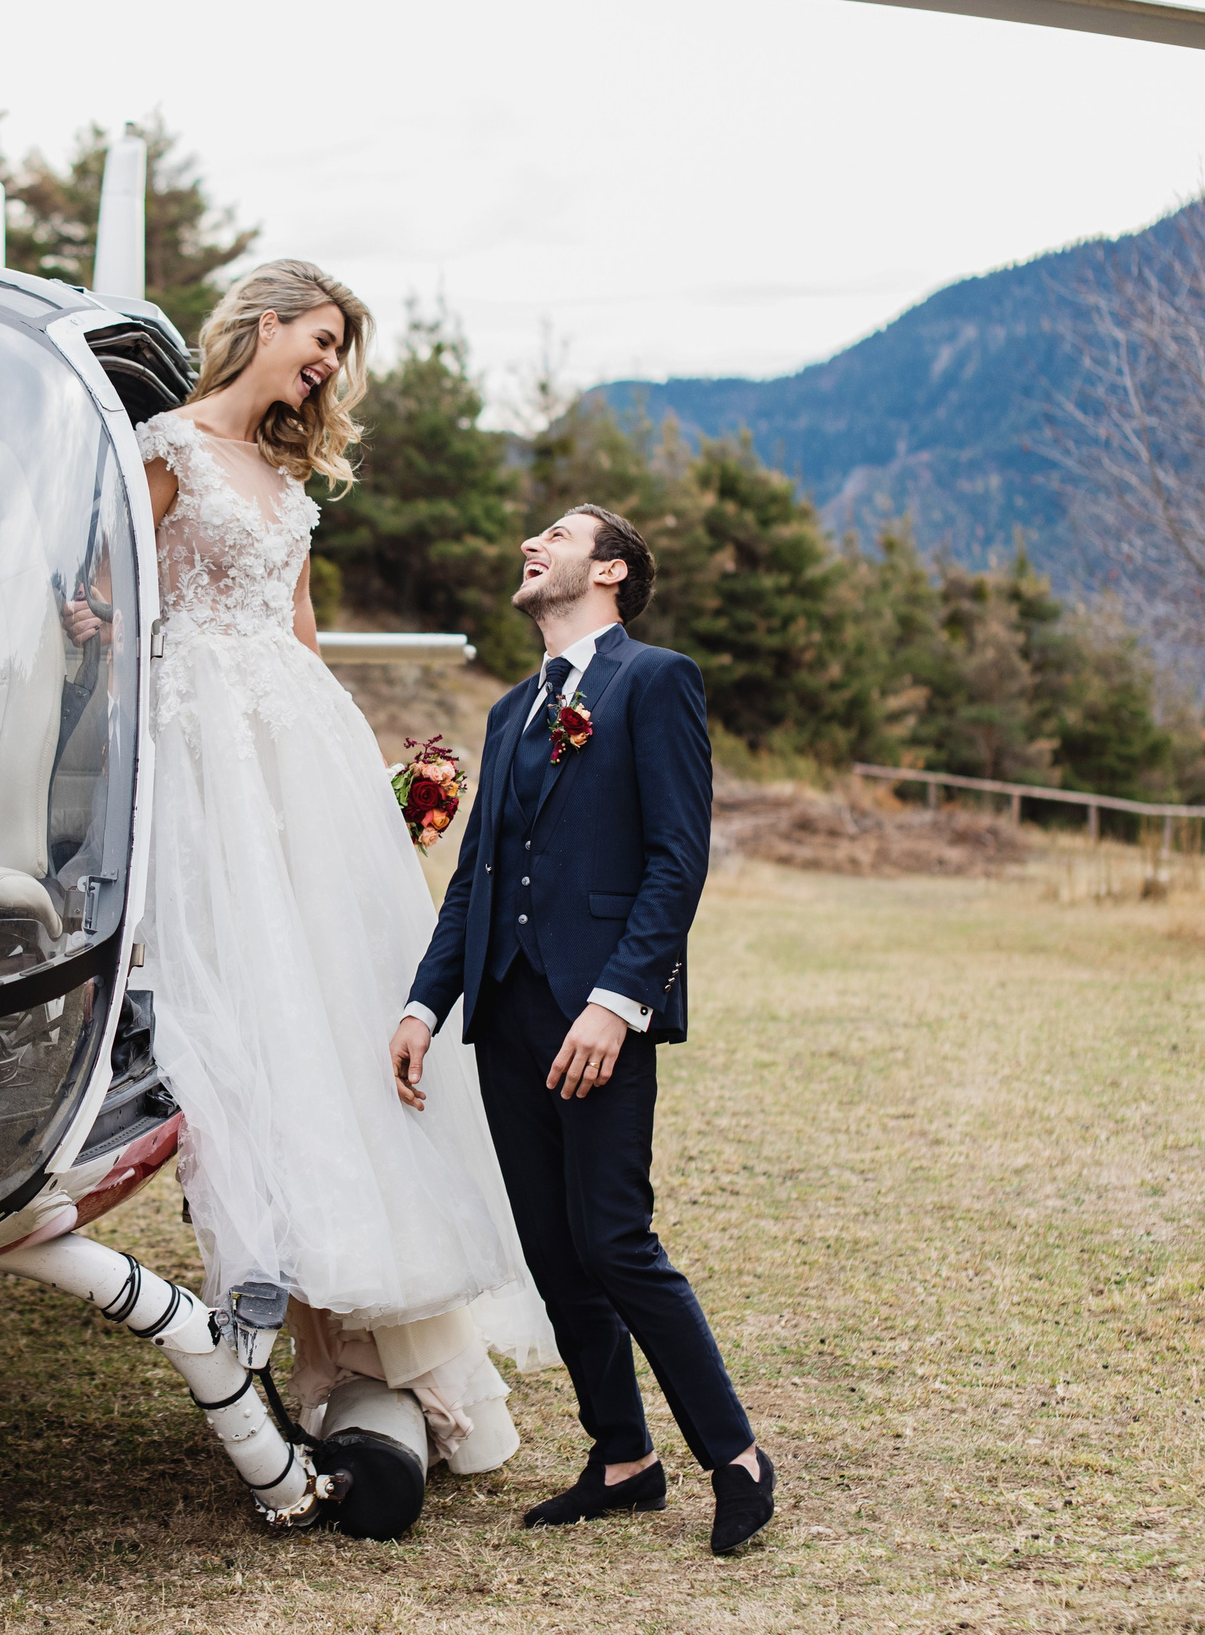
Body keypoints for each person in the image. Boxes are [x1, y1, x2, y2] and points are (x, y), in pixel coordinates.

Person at [80, 259, 552, 1472]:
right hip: (203, 745)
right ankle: (307, 1295)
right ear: (265, 322)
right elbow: (100, 593)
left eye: (341, 347)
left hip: (297, 745)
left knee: (341, 993)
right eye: (323, 336)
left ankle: (378, 1318)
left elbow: (296, 638)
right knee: (251, 1000)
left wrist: (365, 785)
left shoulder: (286, 478)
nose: (330, 362)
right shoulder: (165, 446)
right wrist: (91, 625)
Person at [389, 507, 776, 1555]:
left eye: (554, 534)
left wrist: (617, 1000)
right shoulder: (513, 708)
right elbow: (475, 873)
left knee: (613, 1237)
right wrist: (428, 1001)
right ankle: (622, 1457)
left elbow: (675, 856)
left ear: (607, 569)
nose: (529, 543)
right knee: (554, 1250)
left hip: (596, 1009)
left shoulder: (655, 680)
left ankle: (736, 1455)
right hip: (506, 1008)